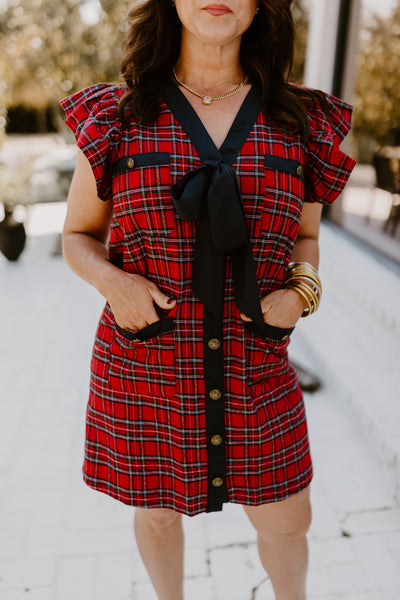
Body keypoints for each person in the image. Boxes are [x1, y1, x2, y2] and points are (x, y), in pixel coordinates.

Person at [61, 1, 356, 598]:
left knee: (288, 518)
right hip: (147, 365)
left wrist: (301, 293)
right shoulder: (119, 115)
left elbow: (305, 236)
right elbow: (77, 236)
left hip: (256, 365)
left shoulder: (303, 119)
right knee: (158, 508)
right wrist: (116, 284)